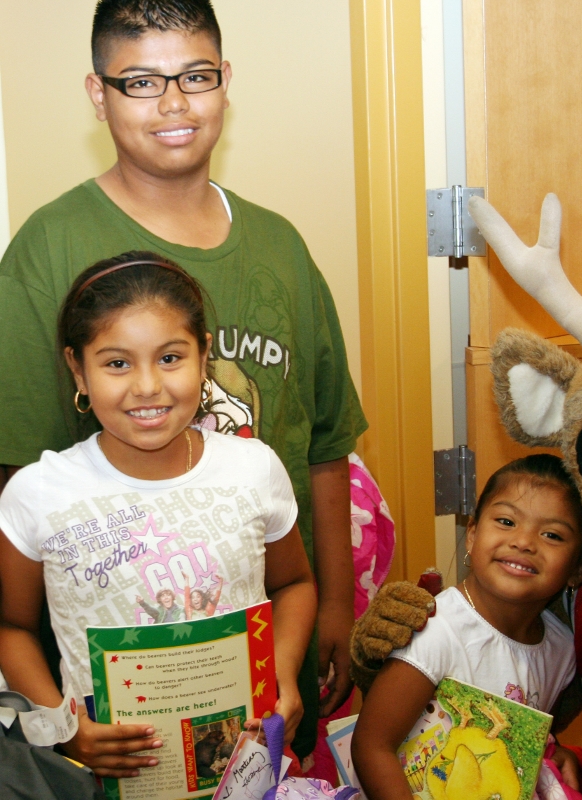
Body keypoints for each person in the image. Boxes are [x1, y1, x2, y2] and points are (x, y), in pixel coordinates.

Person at [0, 0, 366, 757]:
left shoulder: (281, 247)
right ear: (98, 94)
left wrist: (336, 604)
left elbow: (325, 446)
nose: (173, 103)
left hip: (263, 647)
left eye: (195, 76)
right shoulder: (48, 247)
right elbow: (16, 484)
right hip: (113, 681)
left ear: (225, 81)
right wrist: (52, 715)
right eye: (140, 81)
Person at [0, 254, 317, 778]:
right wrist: (63, 728)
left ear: (204, 356)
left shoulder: (254, 468)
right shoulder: (38, 493)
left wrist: (281, 676)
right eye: (117, 363)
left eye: (170, 358)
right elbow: (11, 627)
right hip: (101, 778)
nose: (147, 386)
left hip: (244, 768)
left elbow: (294, 585)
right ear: (78, 369)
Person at [351, 455, 582, 800]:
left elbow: (521, 741)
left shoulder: (562, 647)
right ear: (473, 535)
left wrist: (553, 751)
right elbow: (372, 747)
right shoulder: (435, 629)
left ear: (578, 568)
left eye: (552, 535)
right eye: (506, 521)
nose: (524, 541)